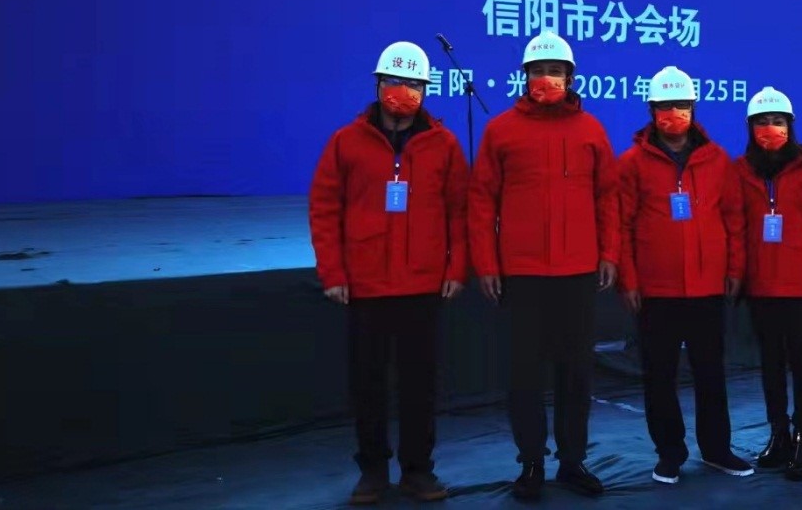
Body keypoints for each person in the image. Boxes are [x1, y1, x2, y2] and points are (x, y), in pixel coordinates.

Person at [308, 40, 469, 504]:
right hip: (366, 285)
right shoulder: (346, 141)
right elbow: (324, 209)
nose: (402, 91)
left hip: (423, 284)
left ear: (426, 90)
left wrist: (456, 267)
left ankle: (418, 470)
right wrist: (333, 272)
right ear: (378, 85)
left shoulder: (443, 144)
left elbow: (459, 211)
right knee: (368, 385)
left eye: (412, 83)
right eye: (394, 82)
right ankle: (373, 471)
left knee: (420, 385)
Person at [468, 30, 620, 502]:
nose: (547, 78)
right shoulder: (501, 130)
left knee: (576, 373)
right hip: (523, 273)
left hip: (577, 272)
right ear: (525, 76)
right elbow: (480, 201)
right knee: (525, 375)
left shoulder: (591, 130)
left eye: (556, 71)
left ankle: (572, 462)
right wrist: (486, 263)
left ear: (571, 78)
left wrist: (609, 253)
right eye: (539, 71)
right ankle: (531, 462)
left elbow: (608, 197)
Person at [618, 66, 753, 485]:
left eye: (680, 105)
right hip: (656, 290)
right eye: (664, 106)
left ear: (693, 108)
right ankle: (669, 453)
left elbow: (734, 219)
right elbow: (621, 226)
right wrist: (630, 280)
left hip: (707, 286)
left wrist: (735, 269)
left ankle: (716, 450)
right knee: (659, 376)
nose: (672, 113)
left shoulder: (717, 160)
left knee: (711, 373)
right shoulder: (632, 163)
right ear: (651, 110)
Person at [735, 87, 802, 480]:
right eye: (762, 122)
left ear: (790, 126)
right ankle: (778, 433)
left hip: (801, 287)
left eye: (777, 122)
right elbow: (735, 228)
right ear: (750, 128)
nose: (770, 128)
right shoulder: (739, 171)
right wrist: (737, 276)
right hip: (761, 286)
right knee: (770, 365)